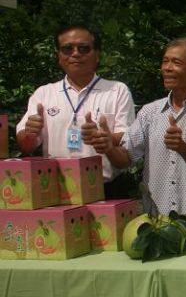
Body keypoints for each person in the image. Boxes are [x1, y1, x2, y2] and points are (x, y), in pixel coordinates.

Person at [91, 38, 186, 229]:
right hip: (155, 229)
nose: (167, 68)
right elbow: (125, 159)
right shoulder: (149, 113)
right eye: (165, 61)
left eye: (176, 62)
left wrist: (182, 147)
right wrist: (109, 148)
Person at [16, 24, 135, 198]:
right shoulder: (44, 93)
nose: (75, 54)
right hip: (54, 189)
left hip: (104, 190)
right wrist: (29, 133)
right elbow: (26, 146)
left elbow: (127, 138)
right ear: (59, 56)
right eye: (67, 49)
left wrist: (105, 137)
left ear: (97, 55)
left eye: (84, 48)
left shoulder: (117, 91)